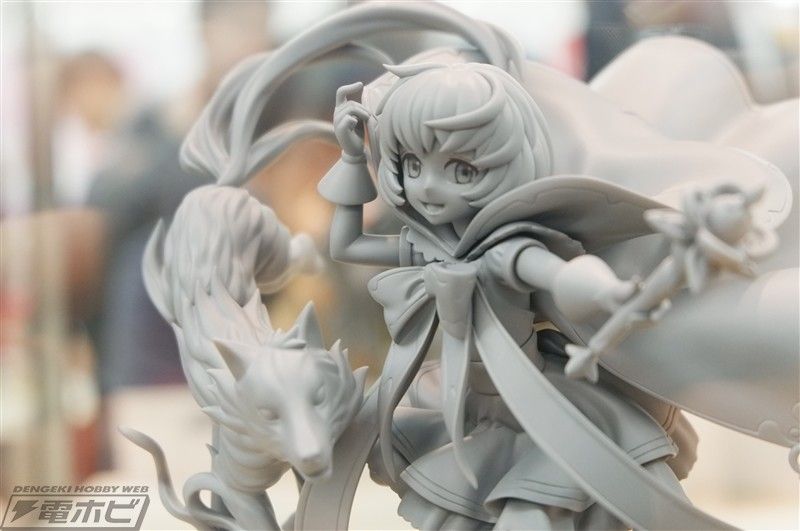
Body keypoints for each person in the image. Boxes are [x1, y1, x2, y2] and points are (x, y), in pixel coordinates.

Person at [319, 62, 697, 530]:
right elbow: (347, 245)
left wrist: (610, 291)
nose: (428, 185)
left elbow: (559, 274)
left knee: (530, 509)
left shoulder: (503, 249)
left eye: (459, 170)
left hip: (536, 406)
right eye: (413, 165)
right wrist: (353, 156)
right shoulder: (427, 246)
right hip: (472, 406)